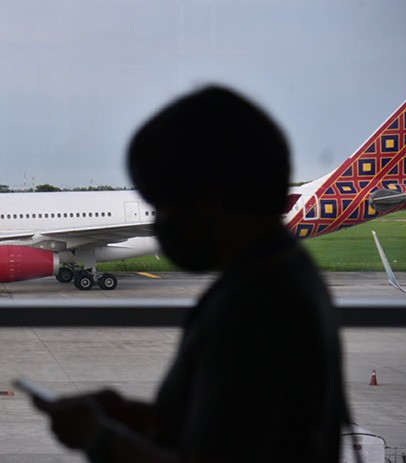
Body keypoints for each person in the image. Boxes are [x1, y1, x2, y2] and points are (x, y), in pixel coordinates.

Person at [32, 86, 350, 463]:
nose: (158, 222)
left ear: (210, 201)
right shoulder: (277, 279)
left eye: (163, 203)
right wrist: (135, 416)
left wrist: (100, 439)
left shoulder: (254, 310)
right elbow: (224, 427)